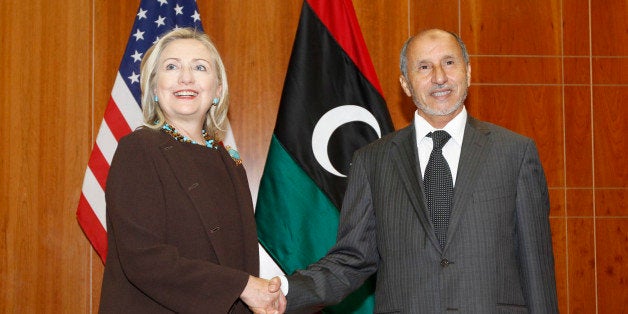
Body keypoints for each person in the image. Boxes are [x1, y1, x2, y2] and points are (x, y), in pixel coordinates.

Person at [277, 29, 558, 313]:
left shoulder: (515, 154)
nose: (439, 77)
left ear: (468, 72)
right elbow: (352, 259)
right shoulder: (372, 162)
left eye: (449, 63)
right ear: (406, 84)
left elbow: (537, 268)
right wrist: (284, 291)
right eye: (424, 67)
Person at [99, 27, 285, 314]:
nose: (186, 78)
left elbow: (242, 264)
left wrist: (258, 291)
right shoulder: (139, 150)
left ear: (217, 90)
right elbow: (143, 259)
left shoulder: (229, 161)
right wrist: (243, 286)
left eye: (200, 67)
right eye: (172, 67)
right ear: (154, 88)